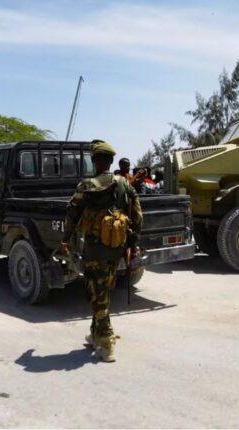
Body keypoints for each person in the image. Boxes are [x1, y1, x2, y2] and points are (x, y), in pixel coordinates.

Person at [61, 140, 143, 362]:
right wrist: (133, 242)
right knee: (103, 288)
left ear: (94, 161)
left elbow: (72, 215)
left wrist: (65, 239)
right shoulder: (124, 185)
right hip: (116, 247)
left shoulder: (86, 186)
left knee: (97, 292)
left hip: (95, 248)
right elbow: (137, 215)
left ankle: (106, 343)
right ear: (110, 161)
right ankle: (95, 333)